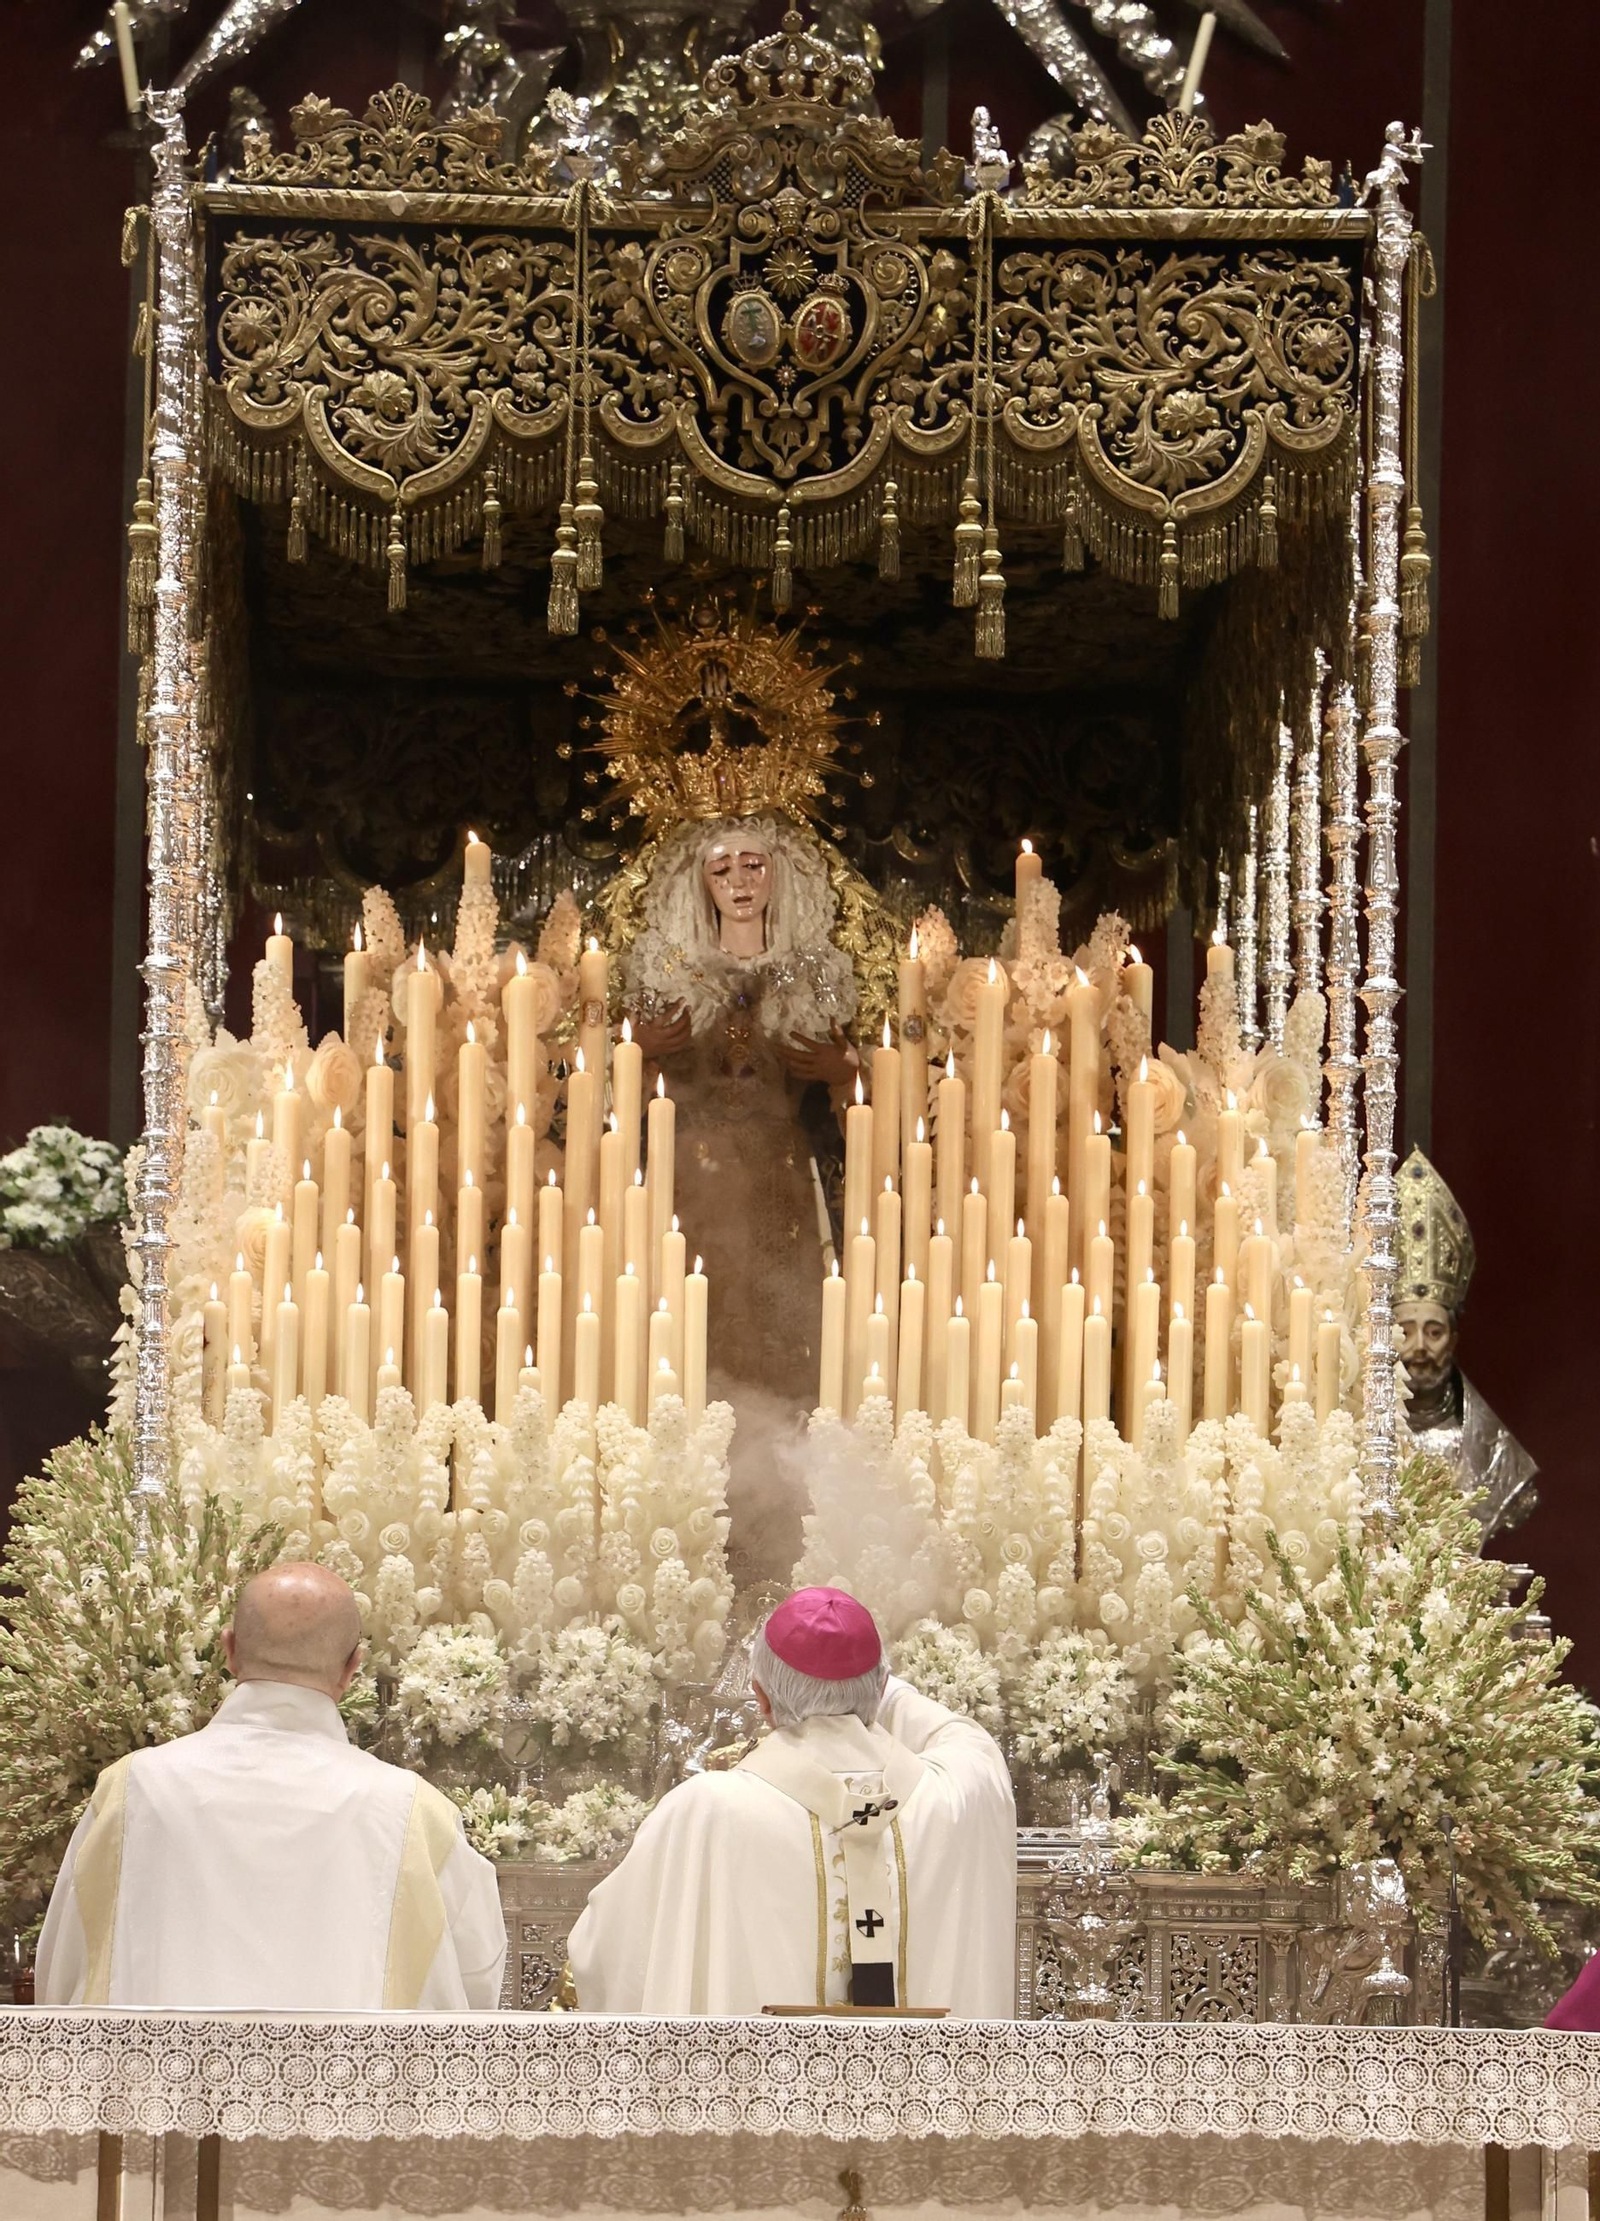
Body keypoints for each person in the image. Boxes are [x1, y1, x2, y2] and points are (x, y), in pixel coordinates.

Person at [34, 1563, 506, 2010]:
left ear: (230, 1650)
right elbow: (475, 1989)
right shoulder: (416, 1814)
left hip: (158, 2093)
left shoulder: (131, 1790)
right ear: (352, 1668)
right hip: (353, 2094)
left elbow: (61, 1977)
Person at [567, 1585, 1016, 2016]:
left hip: (753, 2093)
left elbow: (607, 1953)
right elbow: (965, 1738)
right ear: (880, 1690)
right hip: (925, 2093)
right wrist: (872, 1682)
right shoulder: (954, 1797)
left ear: (760, 1698)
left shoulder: (706, 1812)